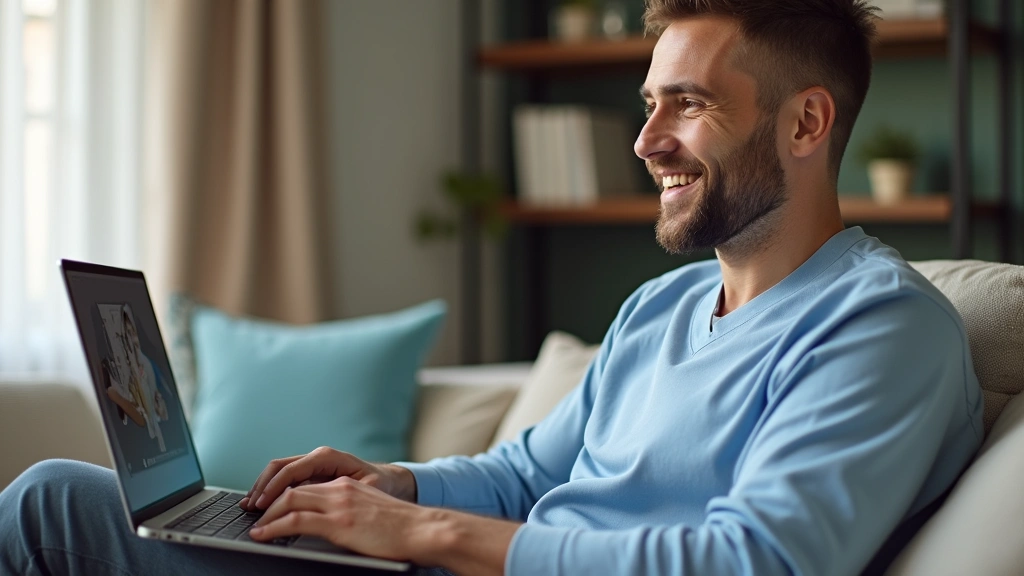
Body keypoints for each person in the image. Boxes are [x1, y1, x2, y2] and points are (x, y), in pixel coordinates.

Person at [0, 1, 983, 575]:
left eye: (687, 105)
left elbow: (753, 562)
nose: (646, 141)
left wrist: (421, 529)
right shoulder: (660, 309)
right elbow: (521, 476)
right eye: (649, 104)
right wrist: (393, 485)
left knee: (51, 508)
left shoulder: (881, 330)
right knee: (64, 496)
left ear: (806, 123)